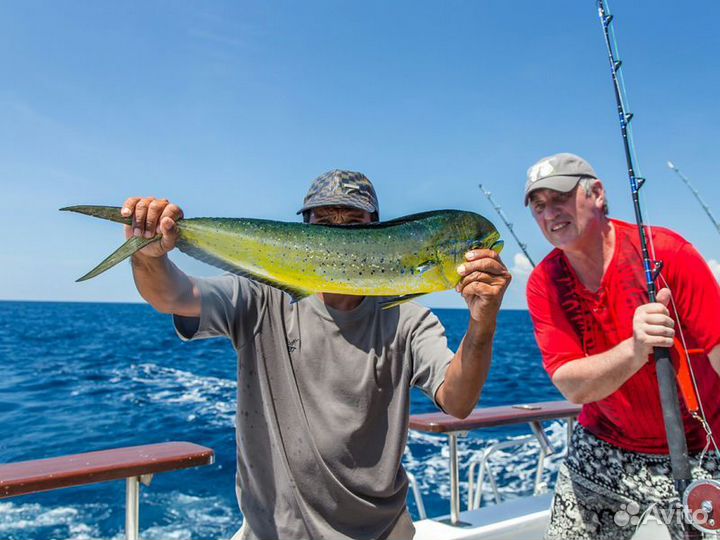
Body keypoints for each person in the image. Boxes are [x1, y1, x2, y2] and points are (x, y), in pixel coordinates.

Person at [122, 169, 511, 540]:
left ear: (379, 230)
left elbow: (458, 400)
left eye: (354, 224)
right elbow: (171, 295)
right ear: (305, 231)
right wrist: (148, 254)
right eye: (325, 223)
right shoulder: (261, 297)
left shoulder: (408, 318)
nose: (339, 233)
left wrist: (482, 322)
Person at [524, 153, 720, 540]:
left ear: (596, 193)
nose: (550, 214)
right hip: (604, 446)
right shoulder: (543, 282)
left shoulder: (670, 254)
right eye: (539, 206)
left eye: (559, 198)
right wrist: (635, 349)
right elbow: (572, 385)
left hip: (700, 445)